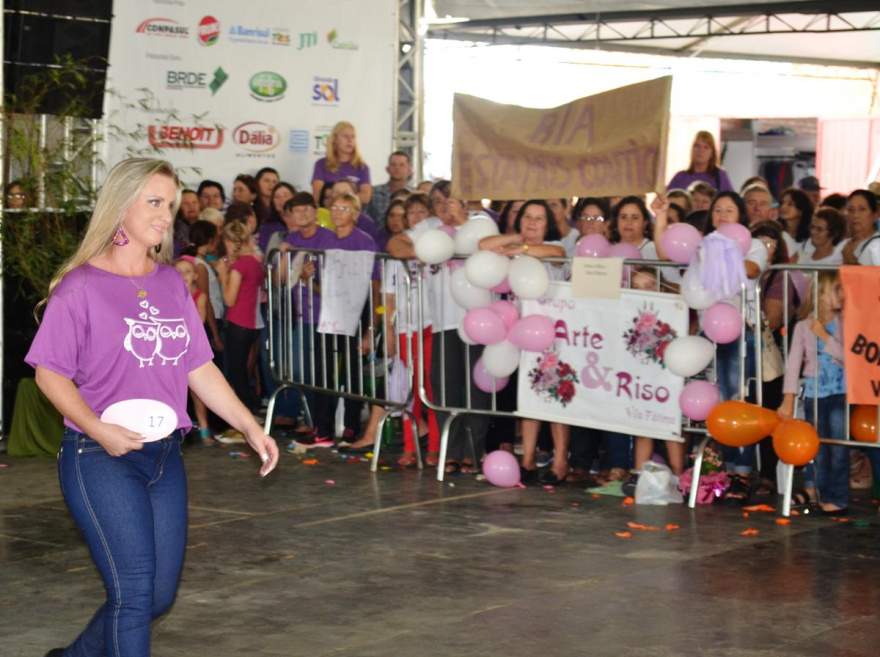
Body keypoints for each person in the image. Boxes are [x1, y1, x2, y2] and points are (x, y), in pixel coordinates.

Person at [26, 158, 277, 657]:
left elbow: (198, 367)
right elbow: (48, 373)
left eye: (170, 202)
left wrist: (250, 426)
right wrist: (98, 429)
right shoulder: (79, 287)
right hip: (100, 458)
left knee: (156, 597)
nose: (167, 215)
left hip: (165, 457)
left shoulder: (169, 283)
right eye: (155, 202)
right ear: (121, 206)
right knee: (134, 595)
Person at [479, 200, 568, 485]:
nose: (532, 223)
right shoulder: (512, 250)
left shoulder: (554, 248)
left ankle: (560, 461)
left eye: (539, 219)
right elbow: (483, 245)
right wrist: (516, 239)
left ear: (548, 223)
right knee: (528, 398)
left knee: (555, 398)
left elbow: (556, 253)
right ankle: (527, 459)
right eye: (527, 217)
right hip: (520, 334)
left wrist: (525, 248)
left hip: (554, 335)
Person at [778, 271, 847, 514]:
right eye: (837, 289)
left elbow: (848, 357)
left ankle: (837, 498)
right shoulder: (803, 326)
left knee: (838, 447)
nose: (842, 294)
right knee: (817, 447)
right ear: (820, 294)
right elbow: (794, 364)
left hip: (840, 393)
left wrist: (825, 336)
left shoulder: (844, 323)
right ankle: (818, 492)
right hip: (814, 395)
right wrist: (788, 399)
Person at [278, 192, 340, 447]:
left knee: (322, 374)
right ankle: (315, 423)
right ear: (290, 215)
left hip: (326, 316)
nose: (302, 214)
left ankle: (324, 428)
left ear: (316, 211)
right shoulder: (289, 241)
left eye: (306, 209)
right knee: (303, 373)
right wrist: (283, 256)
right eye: (296, 210)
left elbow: (335, 283)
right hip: (300, 316)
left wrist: (309, 280)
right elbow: (279, 281)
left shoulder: (328, 239)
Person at [214, 220, 264, 410]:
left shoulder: (239, 266)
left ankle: (247, 411)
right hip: (252, 324)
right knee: (243, 371)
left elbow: (229, 300)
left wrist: (222, 275)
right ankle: (251, 408)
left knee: (236, 373)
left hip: (239, 322)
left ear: (229, 241)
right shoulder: (255, 261)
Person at [174, 256, 211, 443]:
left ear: (195, 276)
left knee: (198, 391)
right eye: (178, 272)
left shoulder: (200, 296)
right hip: (173, 349)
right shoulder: (169, 295)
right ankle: (178, 429)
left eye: (187, 272)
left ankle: (204, 428)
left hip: (191, 348)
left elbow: (200, 322)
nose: (183, 275)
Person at [181, 220, 224, 361]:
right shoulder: (199, 266)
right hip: (206, 320)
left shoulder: (186, 260)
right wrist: (215, 335)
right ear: (211, 240)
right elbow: (205, 301)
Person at [311, 121, 372, 207]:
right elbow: (318, 196)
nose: (350, 140)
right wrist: (348, 197)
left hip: (352, 215)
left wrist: (338, 198)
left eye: (353, 137)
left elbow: (366, 197)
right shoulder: (321, 164)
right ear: (335, 139)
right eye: (345, 136)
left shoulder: (362, 167)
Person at [666, 130, 733, 192]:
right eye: (697, 146)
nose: (700, 150)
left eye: (706, 147)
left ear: (712, 153)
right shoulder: (680, 177)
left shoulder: (719, 176)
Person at [365, 150, 412, 226]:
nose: (397, 168)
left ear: (409, 170)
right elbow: (365, 219)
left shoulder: (414, 196)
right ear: (387, 169)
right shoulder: (373, 192)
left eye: (402, 165)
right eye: (393, 164)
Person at [842, 189, 880, 265]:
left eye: (862, 209)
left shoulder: (877, 246)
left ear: (875, 215)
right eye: (851, 210)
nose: (855, 215)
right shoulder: (843, 244)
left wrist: (851, 262)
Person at [777, 187, 813, 259]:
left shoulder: (811, 237)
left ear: (801, 210)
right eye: (782, 203)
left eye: (790, 204)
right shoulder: (776, 232)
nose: (783, 207)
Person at [172, 189, 201, 256]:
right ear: (178, 207)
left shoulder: (207, 223)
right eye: (186, 203)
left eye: (194, 202)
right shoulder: (177, 229)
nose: (191, 206)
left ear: (200, 204)